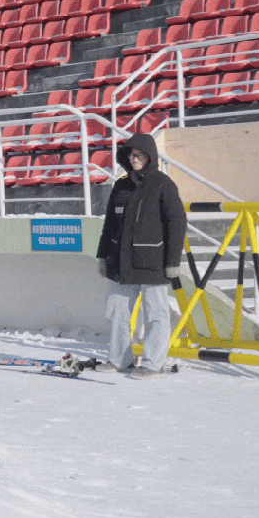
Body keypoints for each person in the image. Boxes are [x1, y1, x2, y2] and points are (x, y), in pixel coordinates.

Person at [95, 132, 187, 379]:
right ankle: (119, 360)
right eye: (130, 155)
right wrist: (103, 255)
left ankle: (153, 364)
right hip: (121, 263)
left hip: (152, 262)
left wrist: (172, 262)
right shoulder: (121, 186)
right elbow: (110, 225)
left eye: (139, 155)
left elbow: (177, 222)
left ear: (150, 157)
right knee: (115, 310)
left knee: (155, 313)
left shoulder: (163, 185)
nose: (134, 159)